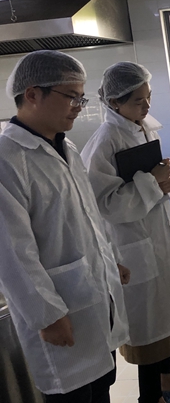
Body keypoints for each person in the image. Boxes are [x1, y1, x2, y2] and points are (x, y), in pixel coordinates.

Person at [0, 50, 130, 402]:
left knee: (100, 387)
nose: (78, 106)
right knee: (73, 394)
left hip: (94, 297)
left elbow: (87, 215)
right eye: (71, 96)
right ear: (32, 94)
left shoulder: (66, 146)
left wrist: (109, 260)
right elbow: (12, 252)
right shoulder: (7, 158)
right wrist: (47, 315)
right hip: (59, 309)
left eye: (81, 97)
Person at [80, 62, 170, 403]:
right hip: (133, 247)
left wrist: (163, 180)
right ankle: (151, 398)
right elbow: (106, 204)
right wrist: (153, 182)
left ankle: (167, 384)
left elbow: (154, 179)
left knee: (169, 316)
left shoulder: (145, 128)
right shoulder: (105, 142)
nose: (146, 106)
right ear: (114, 102)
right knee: (150, 329)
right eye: (138, 100)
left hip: (159, 239)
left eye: (148, 97)